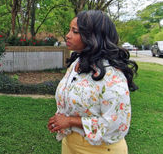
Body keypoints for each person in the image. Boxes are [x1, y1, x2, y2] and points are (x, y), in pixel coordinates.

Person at [47, 10, 138, 154]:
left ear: (93, 36)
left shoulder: (112, 76)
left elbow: (116, 123)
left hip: (100, 149)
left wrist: (70, 121)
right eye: (69, 30)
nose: (67, 35)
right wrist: (61, 118)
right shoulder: (77, 63)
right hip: (70, 144)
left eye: (75, 31)